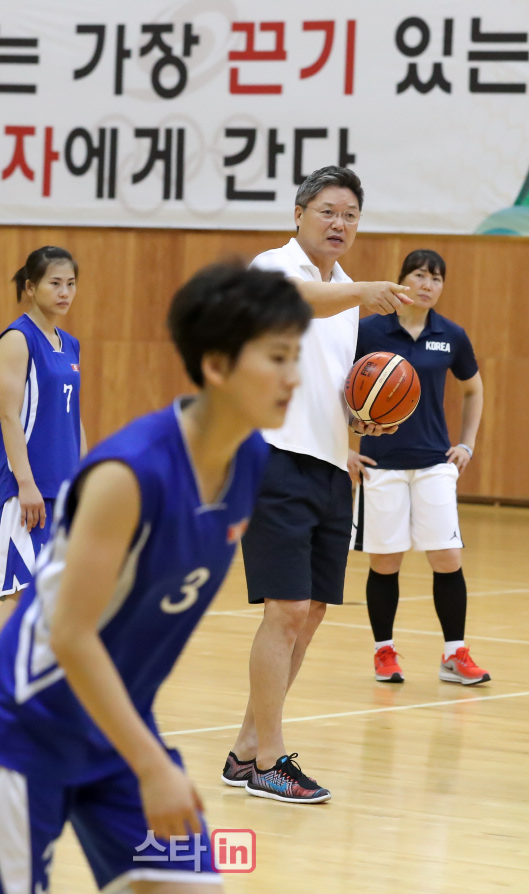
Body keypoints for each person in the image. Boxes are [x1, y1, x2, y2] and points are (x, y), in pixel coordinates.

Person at [0, 263, 311, 894]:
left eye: (297, 356)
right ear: (217, 366)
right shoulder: (131, 473)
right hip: (25, 731)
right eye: (278, 357)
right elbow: (69, 632)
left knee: (191, 884)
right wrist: (152, 765)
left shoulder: (250, 462)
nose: (295, 377)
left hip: (116, 727)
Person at [223, 165, 414, 803]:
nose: (341, 223)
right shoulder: (274, 269)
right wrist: (366, 290)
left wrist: (360, 420)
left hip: (332, 464)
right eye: (329, 211)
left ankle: (248, 751)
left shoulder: (341, 298)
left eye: (351, 215)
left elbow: (331, 382)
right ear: (299, 213)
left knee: (313, 612)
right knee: (286, 609)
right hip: (274, 457)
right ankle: (273, 760)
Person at [348, 249, 489, 685]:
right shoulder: (369, 331)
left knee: (447, 558)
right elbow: (336, 388)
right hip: (380, 464)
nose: (428, 284)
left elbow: (473, 391)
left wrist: (466, 443)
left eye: (437, 278)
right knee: (385, 563)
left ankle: (454, 654)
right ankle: (384, 652)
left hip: (434, 464)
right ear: (403, 279)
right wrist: (345, 448)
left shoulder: (451, 335)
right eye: (420, 275)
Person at [0, 246, 86, 663]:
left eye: (71, 284)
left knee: (53, 597)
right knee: (19, 593)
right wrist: (24, 483)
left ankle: (27, 694)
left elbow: (73, 418)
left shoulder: (71, 345)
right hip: (29, 489)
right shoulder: (17, 339)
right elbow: (9, 415)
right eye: (54, 283)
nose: (64, 292)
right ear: (30, 287)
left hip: (63, 486)